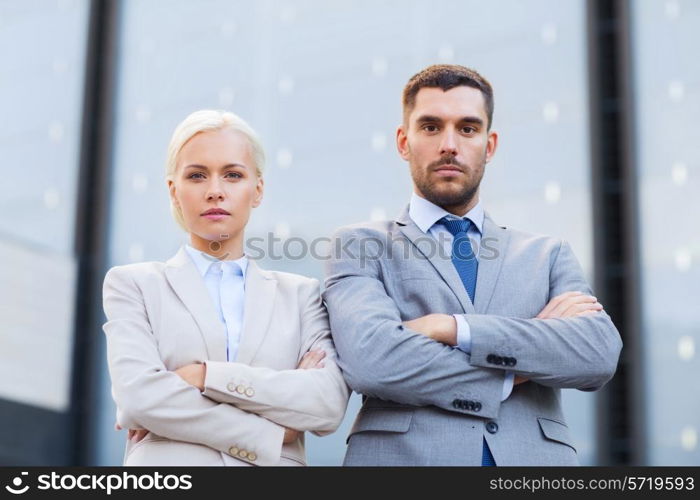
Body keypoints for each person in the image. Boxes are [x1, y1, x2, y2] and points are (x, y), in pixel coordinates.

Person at [323, 64, 622, 466]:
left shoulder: (547, 254)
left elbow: (596, 353)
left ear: (490, 144)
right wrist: (517, 367)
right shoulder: (361, 244)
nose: (449, 144)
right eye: (430, 127)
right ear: (403, 141)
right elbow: (373, 361)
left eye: (467, 128)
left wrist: (450, 327)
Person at [103, 109, 349, 466]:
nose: (215, 191)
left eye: (233, 175)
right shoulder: (134, 285)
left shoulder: (301, 295)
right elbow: (139, 399)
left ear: (257, 189)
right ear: (174, 191)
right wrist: (276, 432)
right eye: (197, 176)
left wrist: (204, 376)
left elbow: (325, 405)